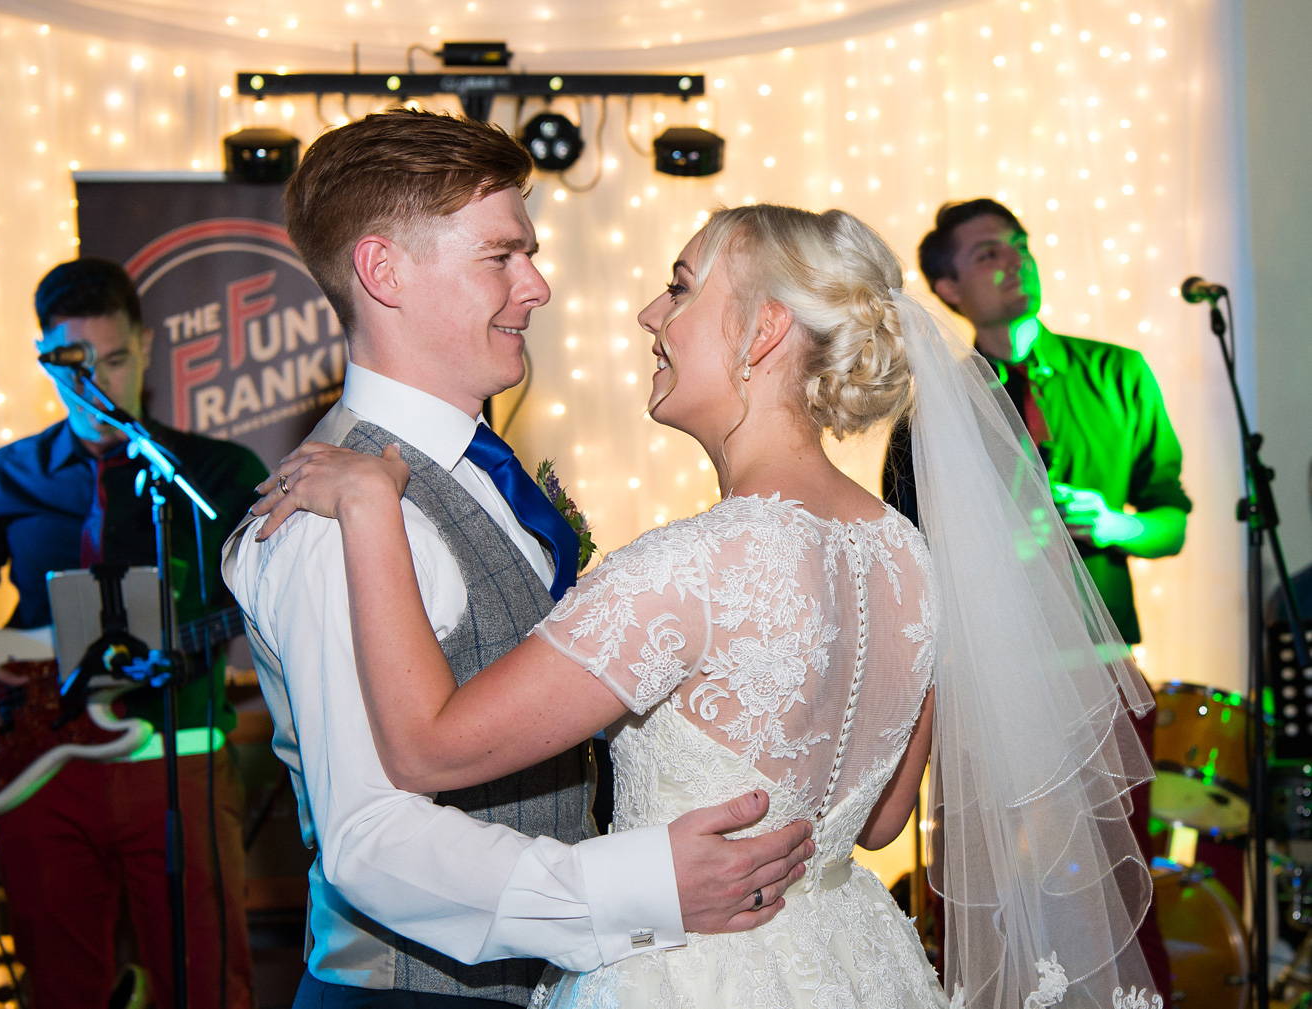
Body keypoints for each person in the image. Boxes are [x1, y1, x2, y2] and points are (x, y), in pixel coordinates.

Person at [255, 203, 1165, 1008]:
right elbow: (882, 820)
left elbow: (424, 745)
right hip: (853, 961)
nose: (653, 315)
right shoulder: (911, 556)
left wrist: (374, 508)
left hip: (694, 970)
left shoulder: (696, 564)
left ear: (764, 330)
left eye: (681, 289)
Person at [220, 110, 814, 1009]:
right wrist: (638, 888)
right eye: (500, 256)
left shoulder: (470, 477)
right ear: (383, 271)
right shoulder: (329, 518)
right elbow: (371, 837)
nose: (536, 287)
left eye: (528, 254)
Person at [0, 258, 264, 1009]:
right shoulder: (5, 476)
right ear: (46, 360)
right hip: (41, 769)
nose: (97, 385)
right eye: (76, 366)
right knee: (63, 985)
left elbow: (283, 598)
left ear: (145, 348)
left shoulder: (215, 476)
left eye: (114, 361)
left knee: (206, 984)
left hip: (181, 757)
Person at [883, 198, 1190, 996]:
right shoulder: (933, 407)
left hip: (1100, 665)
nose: (1015, 261)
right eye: (988, 253)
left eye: (1018, 245)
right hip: (990, 678)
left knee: (1121, 883)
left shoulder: (1118, 372)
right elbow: (906, 549)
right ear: (947, 286)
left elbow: (1172, 522)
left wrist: (1118, 522)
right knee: (981, 884)